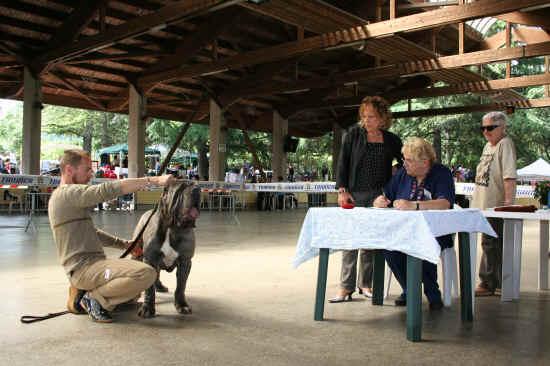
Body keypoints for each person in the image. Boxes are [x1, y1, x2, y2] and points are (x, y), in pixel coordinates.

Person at [48, 149, 175, 322]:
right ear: (69, 170)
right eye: (87, 169)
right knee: (146, 274)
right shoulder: (66, 194)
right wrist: (153, 180)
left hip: (96, 267)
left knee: (132, 291)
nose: (91, 174)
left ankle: (85, 293)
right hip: (85, 270)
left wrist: (126, 245)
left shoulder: (69, 200)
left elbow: (93, 234)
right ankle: (94, 299)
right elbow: (106, 190)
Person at [329, 95, 403, 303]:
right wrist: (342, 190)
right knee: (350, 240)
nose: (366, 120)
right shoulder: (353, 135)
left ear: (382, 118)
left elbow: (406, 163)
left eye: (371, 116)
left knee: (371, 242)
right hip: (354, 193)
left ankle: (365, 284)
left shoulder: (392, 140)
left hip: (379, 195)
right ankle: (345, 288)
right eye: (364, 116)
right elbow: (342, 163)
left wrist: (395, 177)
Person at [373, 137, 455, 310]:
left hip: (436, 232)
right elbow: (386, 195)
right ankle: (410, 289)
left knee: (422, 244)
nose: (404, 164)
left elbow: (444, 203)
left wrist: (414, 206)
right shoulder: (403, 174)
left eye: (409, 160)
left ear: (424, 163)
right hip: (403, 232)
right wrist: (379, 201)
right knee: (388, 247)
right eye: (404, 159)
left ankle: (432, 292)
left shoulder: (441, 173)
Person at [471, 111, 517, 296]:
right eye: (483, 128)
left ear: (502, 127)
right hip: (483, 205)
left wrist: (508, 203)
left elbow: (509, 175)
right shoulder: (487, 146)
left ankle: (488, 282)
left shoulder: (505, 144)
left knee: (491, 243)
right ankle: (494, 282)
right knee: (489, 242)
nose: (486, 132)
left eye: (490, 128)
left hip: (496, 205)